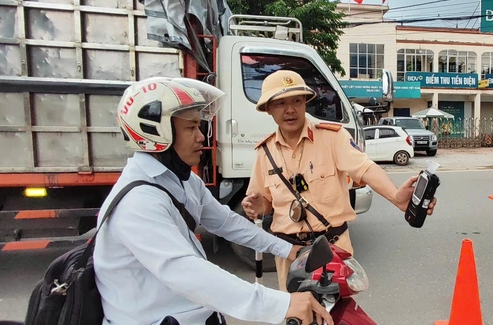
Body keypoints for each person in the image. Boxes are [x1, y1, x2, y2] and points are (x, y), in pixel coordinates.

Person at [93, 77, 332, 325]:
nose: (201, 137)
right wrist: (282, 303)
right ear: (155, 132)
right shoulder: (138, 202)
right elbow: (185, 271)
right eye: (191, 128)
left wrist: (287, 249)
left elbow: (226, 222)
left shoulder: (181, 180)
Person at [241, 70, 438, 291]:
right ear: (268, 109)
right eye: (280, 103)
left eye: (297, 100)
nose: (290, 110)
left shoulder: (333, 137)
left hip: (332, 249)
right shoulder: (264, 152)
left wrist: (395, 197)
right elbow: (264, 202)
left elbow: (365, 168)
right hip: (290, 255)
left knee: (337, 317)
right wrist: (258, 206)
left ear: (306, 102)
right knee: (297, 317)